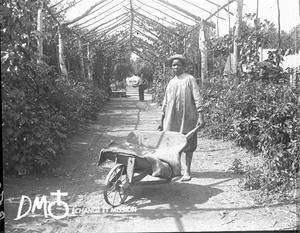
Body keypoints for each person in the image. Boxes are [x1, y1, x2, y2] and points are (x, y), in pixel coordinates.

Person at [158, 54, 205, 181]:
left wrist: (200, 114)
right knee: (173, 145)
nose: (176, 67)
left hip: (188, 118)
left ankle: (187, 170)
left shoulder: (189, 79)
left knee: (189, 144)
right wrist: (162, 120)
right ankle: (175, 169)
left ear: (183, 67)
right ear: (171, 68)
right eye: (174, 65)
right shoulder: (171, 83)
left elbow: (197, 96)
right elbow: (165, 102)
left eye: (178, 65)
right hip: (172, 119)